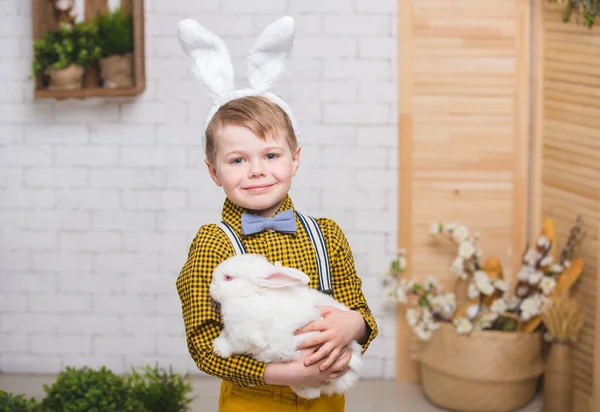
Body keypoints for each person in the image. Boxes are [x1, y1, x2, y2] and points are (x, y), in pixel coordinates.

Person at [175, 16, 378, 412]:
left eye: (270, 155)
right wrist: (286, 375)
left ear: (294, 159)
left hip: (326, 394)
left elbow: (360, 310)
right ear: (214, 171)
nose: (256, 170)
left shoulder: (326, 234)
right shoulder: (213, 243)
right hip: (254, 397)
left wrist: (352, 325)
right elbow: (203, 343)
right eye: (237, 159)